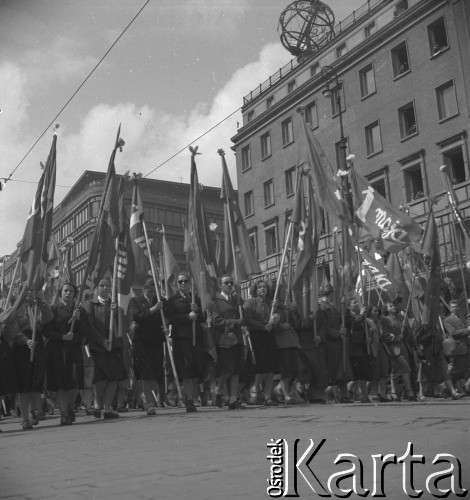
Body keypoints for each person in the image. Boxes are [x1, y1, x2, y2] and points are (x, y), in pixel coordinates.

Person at [5, 290, 53, 429]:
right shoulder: (16, 307)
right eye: (28, 291)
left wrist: (42, 302)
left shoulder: (39, 304)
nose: (31, 294)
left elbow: (48, 318)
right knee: (24, 383)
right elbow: (12, 329)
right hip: (22, 346)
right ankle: (25, 418)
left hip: (37, 342)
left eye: (34, 291)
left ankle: (33, 410)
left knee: (37, 380)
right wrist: (25, 341)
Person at [43, 282, 88, 425]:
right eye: (65, 291)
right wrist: (62, 336)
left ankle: (69, 406)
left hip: (74, 350)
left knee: (75, 383)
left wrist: (78, 318)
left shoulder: (79, 309)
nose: (68, 293)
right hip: (57, 351)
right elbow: (46, 331)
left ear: (75, 294)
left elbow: (85, 330)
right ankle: (63, 413)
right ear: (60, 293)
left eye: (71, 291)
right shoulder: (53, 309)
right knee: (60, 384)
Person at [82, 278, 126, 420]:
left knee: (113, 378)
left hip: (114, 346)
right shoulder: (90, 305)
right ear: (97, 288)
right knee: (100, 378)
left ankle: (107, 408)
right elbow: (90, 326)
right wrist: (102, 341)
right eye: (102, 286)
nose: (105, 288)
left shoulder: (115, 305)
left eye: (107, 285)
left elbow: (121, 327)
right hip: (98, 347)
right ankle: (96, 404)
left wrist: (116, 312)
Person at [166, 272, 205, 413]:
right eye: (180, 282)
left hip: (196, 340)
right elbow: (172, 318)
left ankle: (191, 396)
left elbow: (204, 318)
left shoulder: (196, 299)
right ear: (177, 284)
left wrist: (198, 311)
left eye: (186, 281)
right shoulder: (172, 301)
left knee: (196, 370)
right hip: (182, 340)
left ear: (190, 283)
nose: (183, 284)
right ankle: (188, 399)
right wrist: (187, 316)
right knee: (187, 371)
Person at [207, 274, 246, 409]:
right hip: (224, 339)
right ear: (220, 286)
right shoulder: (215, 302)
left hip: (237, 339)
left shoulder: (237, 301)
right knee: (227, 370)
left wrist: (241, 310)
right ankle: (218, 390)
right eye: (226, 283)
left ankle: (233, 399)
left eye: (231, 282)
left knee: (236, 370)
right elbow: (216, 321)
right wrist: (234, 322)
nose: (229, 285)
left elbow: (243, 318)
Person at [128, 278, 166, 415]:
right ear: (144, 290)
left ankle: (146, 394)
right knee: (145, 373)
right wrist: (153, 309)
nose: (151, 293)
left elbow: (166, 316)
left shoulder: (160, 302)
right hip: (141, 342)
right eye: (149, 291)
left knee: (156, 373)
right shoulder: (135, 301)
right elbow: (137, 317)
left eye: (153, 291)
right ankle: (149, 402)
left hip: (156, 341)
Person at [243, 279, 278, 406]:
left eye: (264, 287)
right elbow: (248, 319)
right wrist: (262, 327)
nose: (262, 289)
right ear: (255, 290)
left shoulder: (271, 303)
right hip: (257, 335)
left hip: (269, 335)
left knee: (270, 367)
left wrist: (276, 318)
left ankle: (268, 396)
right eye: (260, 287)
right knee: (261, 367)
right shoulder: (251, 302)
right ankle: (255, 390)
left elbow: (277, 317)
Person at [317, 288, 352, 403]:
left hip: (339, 342)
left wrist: (344, 306)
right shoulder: (321, 308)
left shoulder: (334, 309)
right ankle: (333, 395)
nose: (331, 297)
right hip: (330, 343)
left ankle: (343, 395)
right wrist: (337, 333)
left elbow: (344, 320)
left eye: (331, 295)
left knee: (342, 370)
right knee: (332, 370)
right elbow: (323, 327)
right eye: (328, 295)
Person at [381, 301, 417, 401]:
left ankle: (394, 392)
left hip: (403, 347)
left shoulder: (400, 318)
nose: (393, 307)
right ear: (386, 309)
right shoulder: (385, 319)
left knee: (396, 370)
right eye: (390, 306)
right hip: (393, 347)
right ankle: (409, 391)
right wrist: (397, 337)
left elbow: (408, 335)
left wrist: (405, 328)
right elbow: (385, 335)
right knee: (405, 367)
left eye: (394, 305)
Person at [346, 299, 372, 403]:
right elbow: (355, 325)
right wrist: (361, 313)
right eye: (354, 303)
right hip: (353, 348)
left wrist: (368, 337)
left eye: (358, 302)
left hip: (362, 347)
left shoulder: (363, 317)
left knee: (363, 373)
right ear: (349, 306)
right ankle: (353, 392)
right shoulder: (348, 316)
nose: (357, 304)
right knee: (356, 374)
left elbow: (365, 330)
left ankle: (364, 395)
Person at [443, 299, 470, 394]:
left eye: (456, 306)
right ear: (450, 309)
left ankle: (466, 388)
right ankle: (445, 388)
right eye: (452, 307)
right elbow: (453, 333)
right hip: (458, 348)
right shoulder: (448, 320)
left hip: (466, 347)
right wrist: (467, 330)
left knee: (466, 369)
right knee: (456, 371)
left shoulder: (463, 318)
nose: (454, 308)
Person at [366, 305, 389, 402]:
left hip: (381, 347)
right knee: (375, 371)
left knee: (383, 370)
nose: (377, 313)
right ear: (370, 311)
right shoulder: (366, 321)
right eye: (374, 311)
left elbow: (383, 334)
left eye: (377, 311)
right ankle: (374, 393)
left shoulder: (379, 322)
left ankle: (382, 393)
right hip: (372, 347)